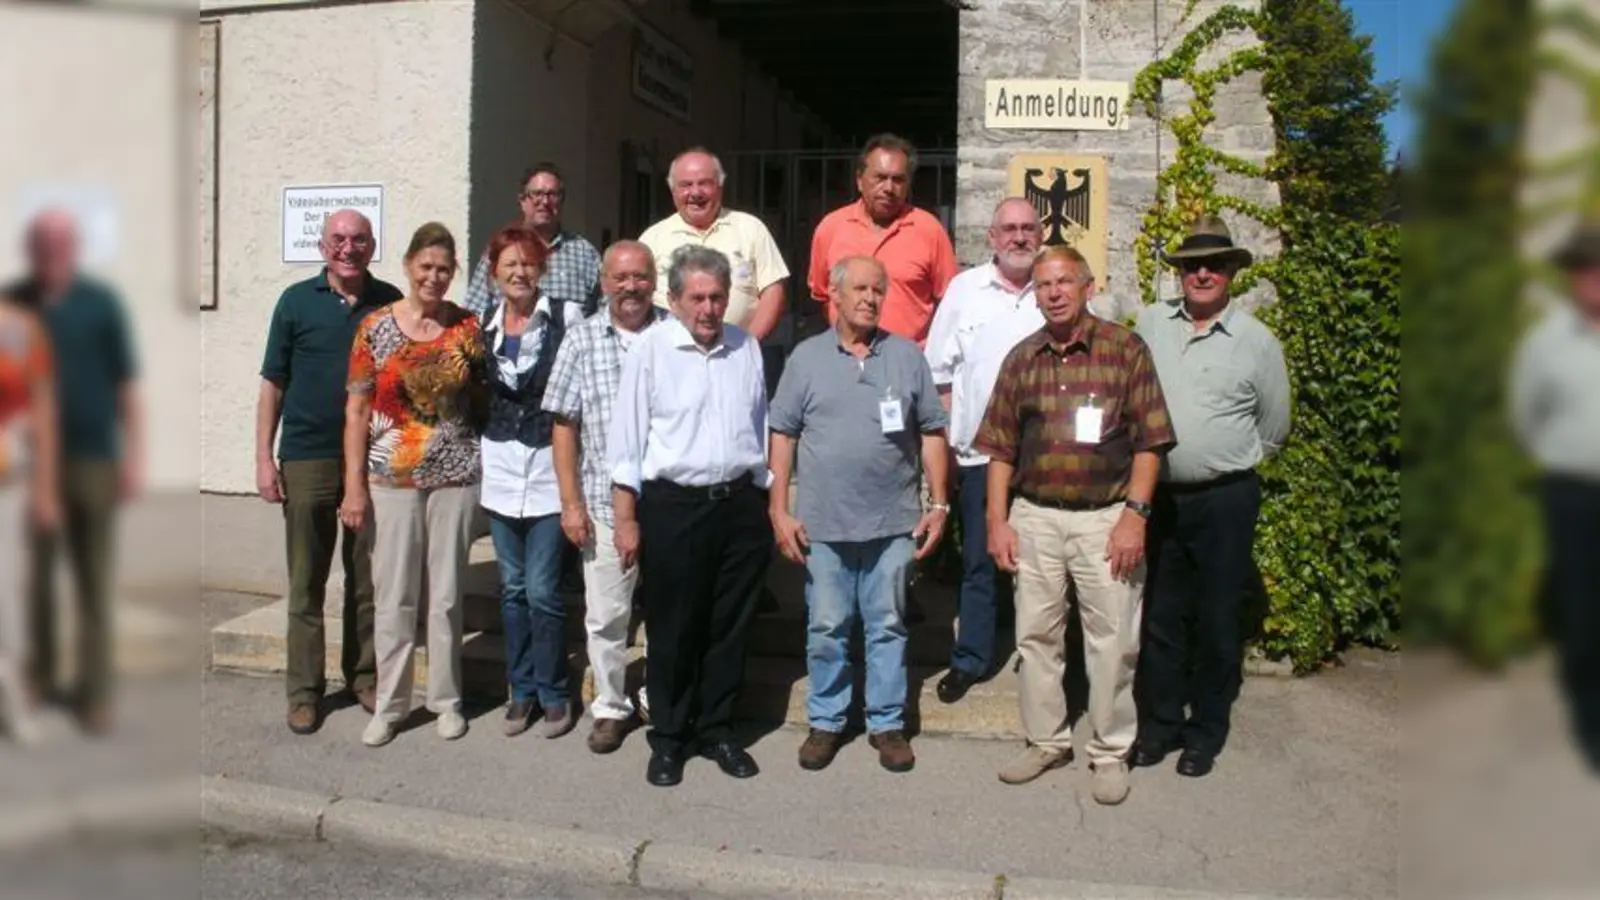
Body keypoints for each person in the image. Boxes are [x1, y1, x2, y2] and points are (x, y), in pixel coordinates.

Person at [974, 245, 1175, 806]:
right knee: (1036, 638)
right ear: (1033, 294)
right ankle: (1046, 741)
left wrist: (1134, 518)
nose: (1054, 292)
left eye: (1064, 281)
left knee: (1113, 641)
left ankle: (1111, 751)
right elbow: (999, 448)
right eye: (1043, 285)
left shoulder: (1124, 349)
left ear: (1088, 286)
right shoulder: (1022, 358)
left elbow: (1151, 442)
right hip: (1034, 517)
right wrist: (998, 520)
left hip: (1105, 520)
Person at [769, 256, 949, 773]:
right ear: (835, 294)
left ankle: (886, 722)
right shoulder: (805, 359)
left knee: (887, 624)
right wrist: (779, 509)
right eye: (861, 289)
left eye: (879, 289)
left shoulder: (907, 357)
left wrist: (938, 505)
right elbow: (783, 434)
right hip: (824, 523)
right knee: (827, 625)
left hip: (892, 521)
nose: (871, 298)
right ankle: (826, 721)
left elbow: (933, 431)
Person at [608, 245, 774, 787]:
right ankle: (670, 738)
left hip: (738, 506)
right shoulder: (651, 350)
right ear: (674, 299)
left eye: (717, 298)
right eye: (697, 297)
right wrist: (625, 518)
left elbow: (762, 429)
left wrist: (768, 502)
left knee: (729, 626)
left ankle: (718, 729)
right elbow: (626, 442)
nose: (708, 308)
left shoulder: (746, 347)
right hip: (673, 508)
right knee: (674, 628)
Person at [1131, 215, 1290, 779]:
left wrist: (1222, 460)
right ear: (1179, 274)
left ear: (1231, 273)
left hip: (1226, 500)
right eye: (1191, 265)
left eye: (1213, 265)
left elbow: (1274, 427)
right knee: (1162, 616)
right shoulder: (1151, 323)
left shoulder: (1257, 342)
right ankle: (1161, 727)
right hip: (1162, 497)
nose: (1202, 273)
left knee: (1218, 619)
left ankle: (1206, 733)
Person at [342, 222, 490, 748]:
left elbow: (481, 398)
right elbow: (357, 409)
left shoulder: (468, 329)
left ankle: (446, 701)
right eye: (425, 266)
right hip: (392, 480)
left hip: (454, 477)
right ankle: (391, 705)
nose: (433, 277)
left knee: (447, 597)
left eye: (443, 269)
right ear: (407, 266)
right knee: (394, 596)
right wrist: (353, 486)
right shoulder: (375, 328)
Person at [256, 209, 400, 735]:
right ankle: (303, 691)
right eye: (338, 238)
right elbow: (273, 384)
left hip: (369, 457)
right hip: (307, 455)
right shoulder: (295, 302)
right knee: (307, 580)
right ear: (322, 246)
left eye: (358, 239)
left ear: (371, 245)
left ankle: (363, 677)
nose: (348, 247)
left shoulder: (389, 304)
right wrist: (263, 460)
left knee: (366, 578)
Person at [6, 209, 143, 735]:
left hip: (92, 458)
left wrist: (134, 458)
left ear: (74, 247)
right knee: (34, 580)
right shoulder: (15, 300)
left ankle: (95, 693)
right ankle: (37, 680)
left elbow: (127, 385)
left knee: (93, 581)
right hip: (29, 463)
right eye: (42, 243)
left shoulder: (100, 303)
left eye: (61, 243)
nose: (52, 252)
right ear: (32, 248)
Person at [543, 240, 669, 754]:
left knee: (668, 611)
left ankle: (659, 698)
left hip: (668, 504)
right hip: (599, 500)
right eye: (620, 278)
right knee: (607, 615)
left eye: (640, 276)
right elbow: (563, 426)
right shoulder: (580, 339)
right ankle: (612, 706)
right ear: (603, 283)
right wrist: (569, 503)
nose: (630, 287)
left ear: (654, 280)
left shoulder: (674, 333)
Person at [923, 197, 1043, 704]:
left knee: (1042, 564)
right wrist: (950, 441)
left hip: (1045, 460)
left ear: (1041, 234)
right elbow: (939, 372)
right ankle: (971, 657)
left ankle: (1042, 662)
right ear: (991, 238)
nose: (1019, 237)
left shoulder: (1056, 285)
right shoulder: (964, 290)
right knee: (978, 562)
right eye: (1008, 229)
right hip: (979, 455)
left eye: (1028, 228)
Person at [477, 224, 585, 740]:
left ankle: (554, 691)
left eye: (528, 263)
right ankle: (519, 692)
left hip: (548, 472)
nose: (519, 273)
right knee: (512, 589)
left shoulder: (566, 317)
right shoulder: (480, 326)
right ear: (494, 273)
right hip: (499, 469)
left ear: (542, 268)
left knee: (542, 590)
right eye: (509, 265)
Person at [1510, 220, 1600, 773]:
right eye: (1583, 270)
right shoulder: (1547, 341)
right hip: (1572, 494)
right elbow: (1524, 416)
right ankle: (1590, 727)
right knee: (1582, 611)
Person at [807, 133, 959, 348]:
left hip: (909, 362)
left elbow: (951, 301)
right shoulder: (831, 228)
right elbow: (821, 296)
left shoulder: (929, 230)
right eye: (880, 177)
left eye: (898, 180)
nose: (889, 188)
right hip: (845, 360)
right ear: (860, 180)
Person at [638, 148, 790, 342]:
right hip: (670, 359)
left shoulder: (751, 228)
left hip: (736, 353)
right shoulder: (652, 238)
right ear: (673, 190)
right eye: (686, 185)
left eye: (704, 184)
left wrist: (749, 346)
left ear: (720, 186)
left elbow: (773, 291)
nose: (695, 192)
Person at [0, 296, 58, 743]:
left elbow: (41, 405)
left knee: (8, 602)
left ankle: (16, 707)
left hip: (6, 483)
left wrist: (44, 486)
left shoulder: (18, 328)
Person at [462, 162, 602, 318]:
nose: (545, 202)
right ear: (522, 201)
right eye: (537, 194)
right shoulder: (501, 250)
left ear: (561, 201)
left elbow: (606, 311)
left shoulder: (585, 254)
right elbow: (472, 312)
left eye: (552, 194)